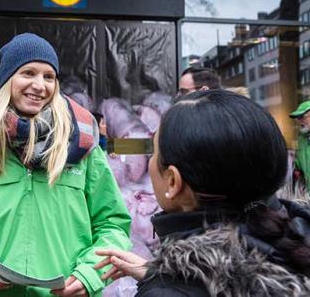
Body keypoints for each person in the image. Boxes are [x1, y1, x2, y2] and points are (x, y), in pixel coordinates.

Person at [0, 33, 132, 297]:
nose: (39, 85)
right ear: (7, 80)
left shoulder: (83, 149)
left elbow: (112, 225)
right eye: (28, 73)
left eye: (49, 76)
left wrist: (89, 275)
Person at [95, 90, 310, 296]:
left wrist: (168, 287)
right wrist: (162, 275)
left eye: (154, 152)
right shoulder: (295, 243)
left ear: (173, 181)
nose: (150, 161)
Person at [290, 100, 310, 191]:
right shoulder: (302, 138)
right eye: (297, 118)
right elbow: (300, 164)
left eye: (302, 117)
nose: (299, 121)